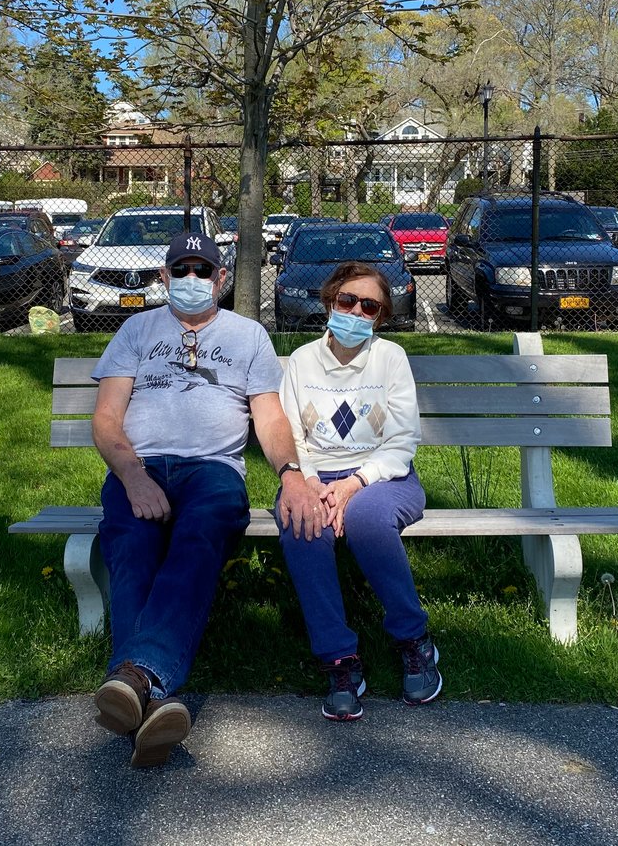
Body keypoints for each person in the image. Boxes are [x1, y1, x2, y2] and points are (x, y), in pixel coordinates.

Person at [89, 231, 327, 766]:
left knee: (199, 536)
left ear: (221, 278)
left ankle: (132, 678)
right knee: (130, 544)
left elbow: (268, 415)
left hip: (214, 471)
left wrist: (291, 474)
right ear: (163, 278)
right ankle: (149, 690)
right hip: (141, 467)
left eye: (203, 271)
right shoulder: (136, 330)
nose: (192, 280)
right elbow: (106, 420)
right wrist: (133, 476)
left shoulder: (248, 337)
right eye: (181, 271)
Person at [276, 261, 440, 721]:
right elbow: (291, 435)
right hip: (314, 476)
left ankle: (414, 640)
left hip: (384, 477)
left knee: (368, 519)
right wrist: (309, 482)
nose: (356, 311)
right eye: (347, 300)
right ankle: (340, 661)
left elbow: (403, 440)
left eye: (369, 306)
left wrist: (353, 484)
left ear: (380, 317)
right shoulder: (303, 361)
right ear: (330, 302)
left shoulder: (390, 359)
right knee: (301, 523)